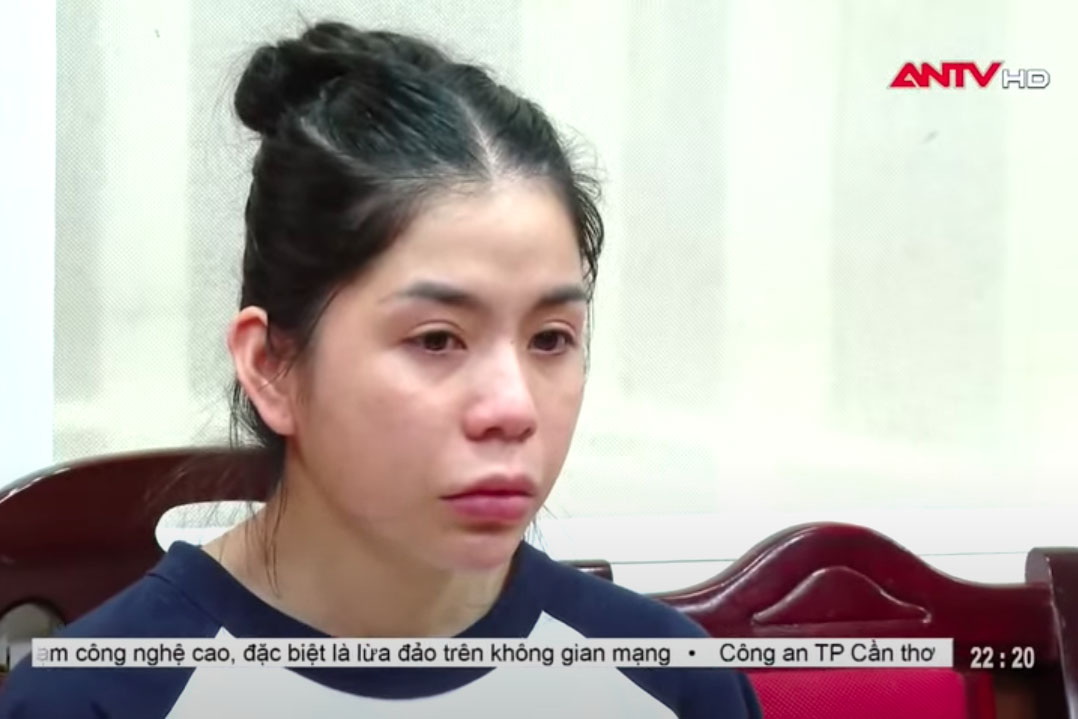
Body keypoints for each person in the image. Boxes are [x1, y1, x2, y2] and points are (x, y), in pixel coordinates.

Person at [0, 21, 761, 718]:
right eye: (437, 339)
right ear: (272, 366)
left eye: (551, 338)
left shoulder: (671, 682)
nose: (514, 407)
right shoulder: (93, 698)